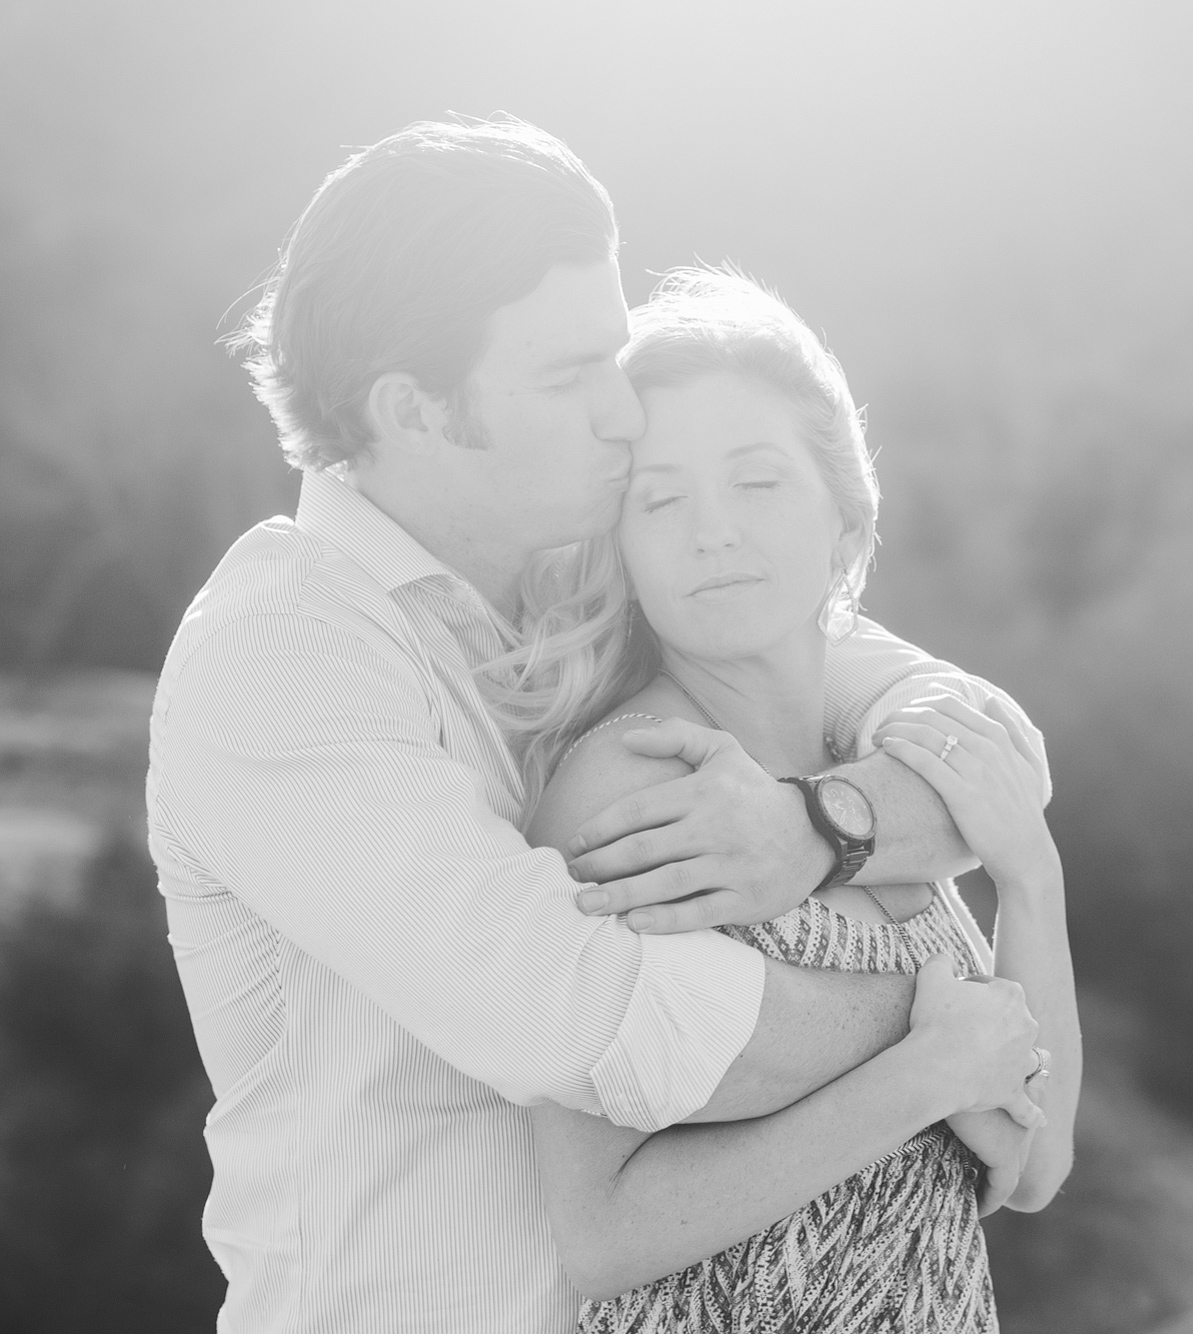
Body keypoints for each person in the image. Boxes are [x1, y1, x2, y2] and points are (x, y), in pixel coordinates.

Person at [146, 116, 1049, 1334]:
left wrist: (819, 826)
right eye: (569, 376)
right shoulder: (284, 655)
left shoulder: (586, 581)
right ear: (414, 408)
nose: (623, 416)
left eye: (612, 358)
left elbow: (970, 727)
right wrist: (941, 1023)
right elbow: (587, 1015)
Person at [510, 270, 1081, 1331]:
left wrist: (1029, 878)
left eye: (757, 481)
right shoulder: (636, 780)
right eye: (661, 497)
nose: (711, 531)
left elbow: (1037, 1159)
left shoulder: (873, 779)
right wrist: (924, 1072)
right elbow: (601, 1233)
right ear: (621, 546)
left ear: (844, 516)